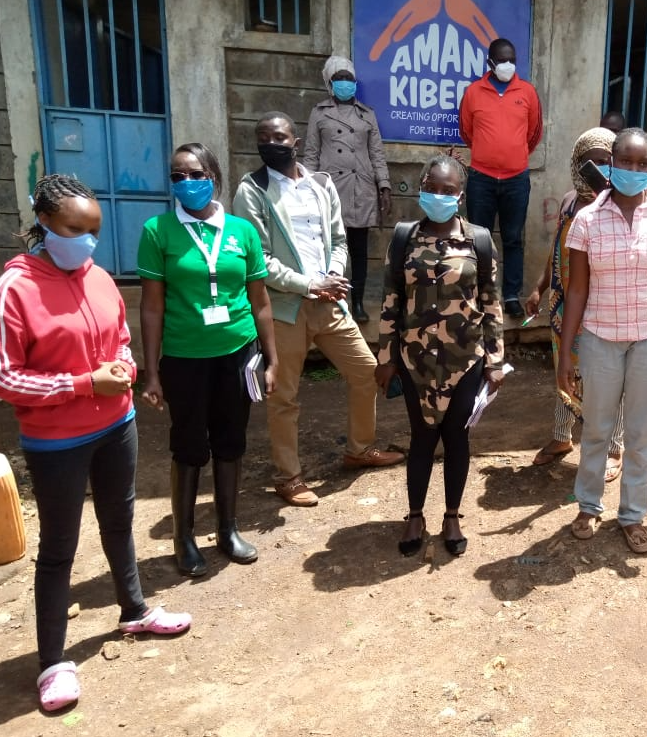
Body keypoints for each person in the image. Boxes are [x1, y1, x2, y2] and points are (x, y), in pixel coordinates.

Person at [0, 175, 191, 712]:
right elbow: (5, 376)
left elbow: (121, 339)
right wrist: (83, 384)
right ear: (43, 224)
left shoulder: (99, 278)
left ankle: (134, 609)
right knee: (60, 547)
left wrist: (125, 366)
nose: (86, 240)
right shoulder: (16, 287)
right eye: (74, 229)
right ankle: (53, 662)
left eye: (94, 230)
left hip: (116, 425)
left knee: (120, 521)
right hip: (56, 440)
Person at [234, 112, 403, 508]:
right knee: (285, 396)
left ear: (296, 140)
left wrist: (332, 275)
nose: (270, 143)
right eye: (262, 137)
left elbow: (339, 239)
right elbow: (259, 260)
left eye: (278, 136)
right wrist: (309, 284)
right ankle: (288, 476)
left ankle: (359, 448)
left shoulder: (320, 185)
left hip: (329, 301)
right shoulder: (252, 190)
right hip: (286, 308)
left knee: (365, 370)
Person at [139, 143, 278, 577]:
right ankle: (183, 539)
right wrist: (152, 371)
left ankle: (228, 529)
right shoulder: (157, 231)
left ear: (214, 177)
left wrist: (271, 359)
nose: (186, 183)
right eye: (177, 176)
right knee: (189, 445)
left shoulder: (242, 231)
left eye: (194, 174)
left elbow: (260, 300)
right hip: (185, 357)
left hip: (237, 354)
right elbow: (151, 307)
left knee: (231, 440)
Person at [557, 128, 647, 554]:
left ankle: (633, 515)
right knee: (597, 429)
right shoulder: (586, 220)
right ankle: (588, 506)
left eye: (643, 164)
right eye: (626, 162)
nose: (635, 170)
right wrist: (567, 352)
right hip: (600, 339)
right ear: (610, 165)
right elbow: (577, 290)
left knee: (640, 434)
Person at [375, 154, 504, 558]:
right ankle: (415, 515)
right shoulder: (403, 238)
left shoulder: (479, 240)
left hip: (465, 359)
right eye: (432, 187)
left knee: (457, 438)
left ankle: (451, 516)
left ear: (460, 196)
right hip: (416, 361)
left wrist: (496, 361)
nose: (439, 195)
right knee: (421, 438)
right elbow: (391, 301)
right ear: (421, 187)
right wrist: (386, 357)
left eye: (448, 190)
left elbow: (491, 303)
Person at [525, 126, 626, 483]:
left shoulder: (617, 205)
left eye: (605, 161)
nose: (597, 169)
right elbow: (556, 248)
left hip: (602, 306)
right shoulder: (570, 201)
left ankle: (615, 447)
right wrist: (539, 288)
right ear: (576, 163)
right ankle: (561, 437)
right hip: (563, 304)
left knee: (607, 378)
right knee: (564, 369)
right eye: (589, 162)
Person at [458, 37, 543, 318]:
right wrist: (488, 153)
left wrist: (513, 154)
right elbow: (467, 132)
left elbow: (534, 133)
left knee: (513, 239)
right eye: (502, 60)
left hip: (516, 179)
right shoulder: (473, 92)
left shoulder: (527, 92)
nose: (507, 65)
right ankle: (481, 293)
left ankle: (510, 297)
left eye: (512, 59)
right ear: (490, 63)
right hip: (481, 178)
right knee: (478, 238)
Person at [302, 55, 391, 323]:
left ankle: (359, 302)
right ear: (329, 83)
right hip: (329, 189)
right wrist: (306, 187)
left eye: (349, 78)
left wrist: (384, 186)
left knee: (359, 250)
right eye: (339, 78)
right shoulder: (319, 113)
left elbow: (377, 153)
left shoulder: (367, 114)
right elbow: (310, 154)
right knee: (328, 250)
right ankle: (332, 302)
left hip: (360, 189)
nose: (345, 83)